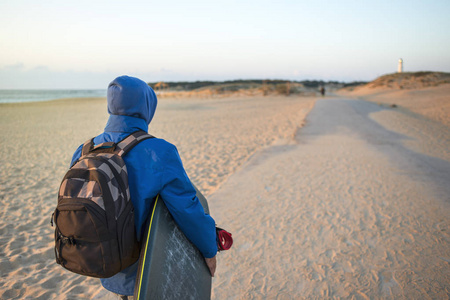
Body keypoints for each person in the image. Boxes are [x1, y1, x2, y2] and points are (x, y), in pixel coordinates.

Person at [70, 75, 217, 299]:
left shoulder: (84, 150)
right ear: (147, 106)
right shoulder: (158, 151)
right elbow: (187, 208)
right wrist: (209, 249)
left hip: (102, 258)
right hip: (146, 267)